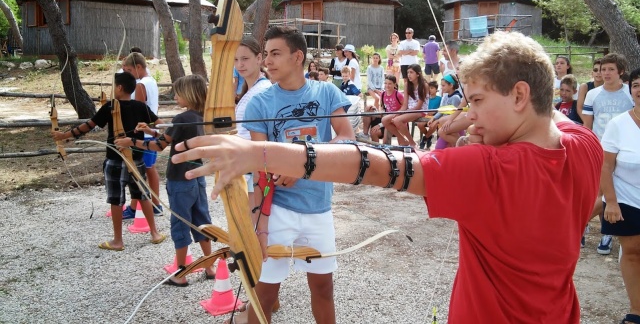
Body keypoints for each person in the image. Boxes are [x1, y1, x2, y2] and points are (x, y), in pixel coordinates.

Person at [171, 30, 604, 323]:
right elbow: (549, 128)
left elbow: (375, 164)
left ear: (520, 95)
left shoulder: (491, 169)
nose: (469, 115)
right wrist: (477, 120)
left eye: (475, 100)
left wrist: (256, 152)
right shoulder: (585, 146)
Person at [225, 26, 354, 324]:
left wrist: (305, 162)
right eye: (266, 54)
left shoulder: (326, 91)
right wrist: (258, 223)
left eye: (275, 54)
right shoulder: (260, 102)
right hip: (277, 209)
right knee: (265, 295)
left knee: (323, 288)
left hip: (319, 208)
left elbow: (347, 138)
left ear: (298, 57)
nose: (267, 61)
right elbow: (260, 164)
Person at [116, 75, 215, 286]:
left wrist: (130, 141)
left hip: (180, 180)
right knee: (201, 221)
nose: (175, 95)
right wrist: (150, 131)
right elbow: (173, 137)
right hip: (197, 178)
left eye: (178, 92)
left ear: (189, 94)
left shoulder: (182, 118)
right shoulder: (200, 116)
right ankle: (210, 267)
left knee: (180, 224)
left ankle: (180, 273)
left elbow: (159, 146)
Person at [52, 72, 166, 251]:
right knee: (143, 195)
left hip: (115, 161)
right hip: (137, 160)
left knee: (116, 200)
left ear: (120, 88)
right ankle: (154, 233)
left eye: (114, 86)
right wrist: (151, 130)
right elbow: (160, 126)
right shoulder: (140, 106)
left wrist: (64, 135)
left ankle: (118, 241)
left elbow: (88, 125)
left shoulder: (111, 107)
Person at [582, 53, 634, 255]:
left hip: (623, 152)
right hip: (599, 150)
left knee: (612, 193)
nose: (606, 73)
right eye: (603, 69)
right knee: (597, 193)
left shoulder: (629, 95)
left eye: (611, 69)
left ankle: (606, 234)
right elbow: (588, 125)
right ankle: (582, 226)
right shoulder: (593, 94)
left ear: (620, 71)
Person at [600, 68, 640, 324]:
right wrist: (611, 202)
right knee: (634, 251)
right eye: (637, 85)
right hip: (626, 196)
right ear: (631, 89)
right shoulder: (619, 124)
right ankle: (637, 310)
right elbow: (606, 166)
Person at [234, 37, 273, 223]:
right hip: (247, 165)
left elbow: (262, 136)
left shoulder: (262, 91)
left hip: (254, 168)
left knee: (253, 225)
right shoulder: (251, 89)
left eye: (245, 59)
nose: (240, 64)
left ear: (259, 59)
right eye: (236, 60)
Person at [121, 52, 163, 218]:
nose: (128, 74)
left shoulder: (141, 84)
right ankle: (153, 204)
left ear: (139, 67)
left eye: (129, 70)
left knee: (139, 171)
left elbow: (138, 110)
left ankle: (143, 206)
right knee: (147, 169)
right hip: (149, 132)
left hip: (142, 134)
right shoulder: (150, 81)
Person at [383, 63, 428, 147]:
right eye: (408, 72)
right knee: (385, 120)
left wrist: (403, 113)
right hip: (409, 110)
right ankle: (402, 139)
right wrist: (397, 113)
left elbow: (418, 107)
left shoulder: (424, 85)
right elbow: (405, 105)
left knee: (397, 120)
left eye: (411, 72)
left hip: (420, 111)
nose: (409, 75)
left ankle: (412, 142)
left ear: (418, 74)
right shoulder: (407, 84)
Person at [363, 75, 404, 144]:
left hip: (393, 120)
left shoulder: (398, 95)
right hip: (385, 117)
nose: (387, 85)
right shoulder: (383, 94)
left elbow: (404, 109)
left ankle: (385, 148)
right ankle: (365, 135)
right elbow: (382, 110)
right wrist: (374, 109)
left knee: (376, 132)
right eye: (385, 83)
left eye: (390, 84)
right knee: (368, 109)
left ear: (395, 84)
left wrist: (380, 125)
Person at [428, 74, 463, 149]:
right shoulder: (445, 96)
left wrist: (437, 121)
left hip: (454, 127)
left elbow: (455, 114)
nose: (441, 87)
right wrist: (434, 118)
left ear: (451, 85)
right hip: (446, 126)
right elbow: (442, 110)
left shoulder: (456, 98)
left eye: (443, 85)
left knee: (452, 148)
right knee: (439, 148)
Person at [417, 81, 442, 149]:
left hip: (435, 117)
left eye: (432, 88)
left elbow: (440, 109)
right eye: (429, 88)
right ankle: (429, 136)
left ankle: (425, 138)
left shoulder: (440, 98)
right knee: (420, 124)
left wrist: (434, 112)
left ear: (436, 89)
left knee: (433, 125)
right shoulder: (426, 98)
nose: (430, 90)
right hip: (426, 115)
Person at [577, 58, 604, 123]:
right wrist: (588, 123)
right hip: (586, 121)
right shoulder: (584, 87)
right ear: (592, 73)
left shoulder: (609, 88)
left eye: (601, 70)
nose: (598, 73)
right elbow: (579, 108)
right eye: (595, 70)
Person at [339, 66, 363, 136]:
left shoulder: (351, 85)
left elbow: (359, 94)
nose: (344, 77)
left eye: (346, 76)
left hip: (351, 106)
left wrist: (353, 99)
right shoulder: (342, 84)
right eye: (343, 76)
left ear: (349, 75)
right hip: (344, 105)